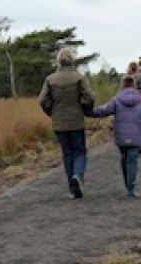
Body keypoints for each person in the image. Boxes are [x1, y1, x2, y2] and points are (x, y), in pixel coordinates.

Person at [38, 48, 95, 199]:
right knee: (80, 151)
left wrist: (51, 112)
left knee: (67, 154)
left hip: (59, 123)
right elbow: (90, 96)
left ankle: (72, 185)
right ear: (73, 60)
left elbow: (42, 100)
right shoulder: (79, 78)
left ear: (59, 61)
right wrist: (85, 108)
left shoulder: (51, 79)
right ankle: (77, 176)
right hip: (76, 121)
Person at [90, 75, 141, 198]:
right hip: (135, 135)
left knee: (124, 159)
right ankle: (131, 188)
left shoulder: (116, 100)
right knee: (132, 161)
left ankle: (127, 183)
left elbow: (104, 111)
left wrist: (88, 111)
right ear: (134, 85)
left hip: (121, 135)